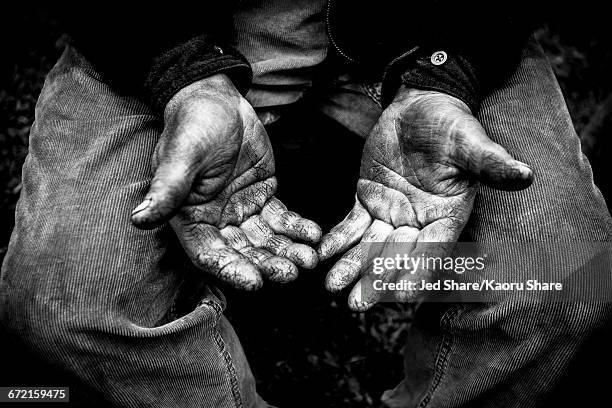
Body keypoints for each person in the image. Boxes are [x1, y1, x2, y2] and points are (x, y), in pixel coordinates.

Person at [2, 1, 611, 407]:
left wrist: (446, 77)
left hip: (441, 39)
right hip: (165, 32)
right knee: (64, 298)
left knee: (563, 280)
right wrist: (180, 70)